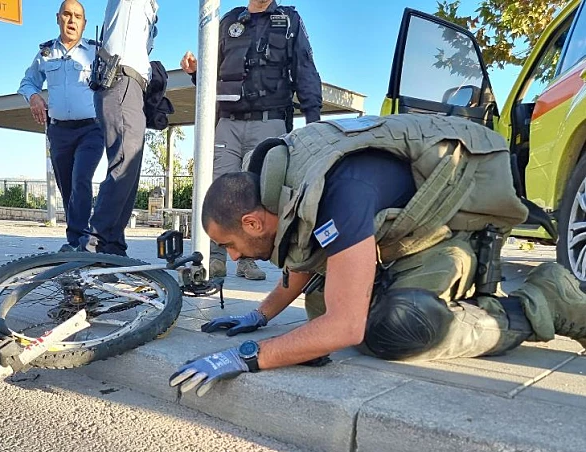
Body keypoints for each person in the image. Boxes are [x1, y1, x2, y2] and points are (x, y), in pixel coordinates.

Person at [170, 113, 586, 397]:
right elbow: (307, 256)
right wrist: (259, 315)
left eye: (227, 244)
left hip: (451, 243)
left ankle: (544, 300)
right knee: (320, 306)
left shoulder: (339, 192)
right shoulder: (284, 184)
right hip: (405, 241)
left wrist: (247, 357)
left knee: (395, 328)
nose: (230, 253)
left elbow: (345, 328)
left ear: (253, 223)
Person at [180, 0, 322, 280]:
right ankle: (214, 255)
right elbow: (212, 74)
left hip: (269, 121)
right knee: (217, 189)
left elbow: (305, 68)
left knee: (258, 194)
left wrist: (314, 121)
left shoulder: (289, 20)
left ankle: (248, 259)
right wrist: (196, 71)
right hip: (228, 122)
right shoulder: (229, 21)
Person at [17, 0, 103, 252]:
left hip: (91, 129)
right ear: (58, 18)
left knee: (81, 178)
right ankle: (76, 238)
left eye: (77, 16)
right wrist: (33, 97)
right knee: (67, 186)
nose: (72, 20)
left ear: (84, 23)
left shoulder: (95, 51)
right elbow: (28, 82)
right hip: (59, 131)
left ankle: (81, 239)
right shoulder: (46, 53)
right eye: (67, 14)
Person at [84, 0, 159, 256]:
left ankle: (113, 248)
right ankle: (95, 245)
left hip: (132, 85)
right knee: (125, 163)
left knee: (130, 168)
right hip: (120, 79)